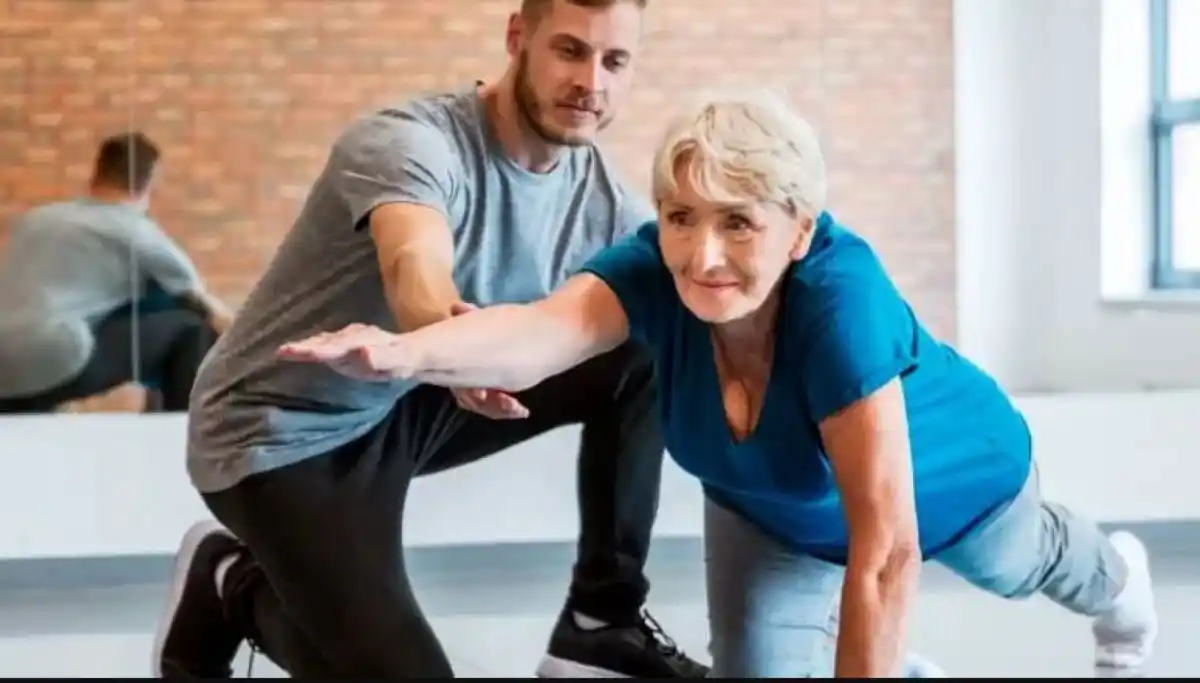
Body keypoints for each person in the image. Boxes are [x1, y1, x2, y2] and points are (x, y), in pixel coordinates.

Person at [277, 90, 1159, 678]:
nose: (703, 255)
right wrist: (409, 354)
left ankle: (1119, 576)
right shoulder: (653, 269)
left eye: (739, 222)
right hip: (768, 506)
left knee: (1019, 566)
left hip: (954, 482)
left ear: (799, 228)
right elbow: (539, 337)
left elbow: (886, 551)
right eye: (682, 217)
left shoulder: (841, 303)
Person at [151, 0, 711, 678]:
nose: (591, 81)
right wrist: (437, 340)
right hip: (277, 434)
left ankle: (601, 620)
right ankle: (231, 584)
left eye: (614, 60)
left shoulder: (602, 203)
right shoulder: (412, 142)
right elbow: (414, 260)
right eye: (569, 50)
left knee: (643, 338)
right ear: (517, 38)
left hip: (403, 404)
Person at [0, 132, 231, 414]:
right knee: (192, 329)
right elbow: (205, 307)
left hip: (4, 369)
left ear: (95, 175)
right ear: (148, 185)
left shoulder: (35, 220)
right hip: (55, 359)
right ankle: (179, 438)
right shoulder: (135, 230)